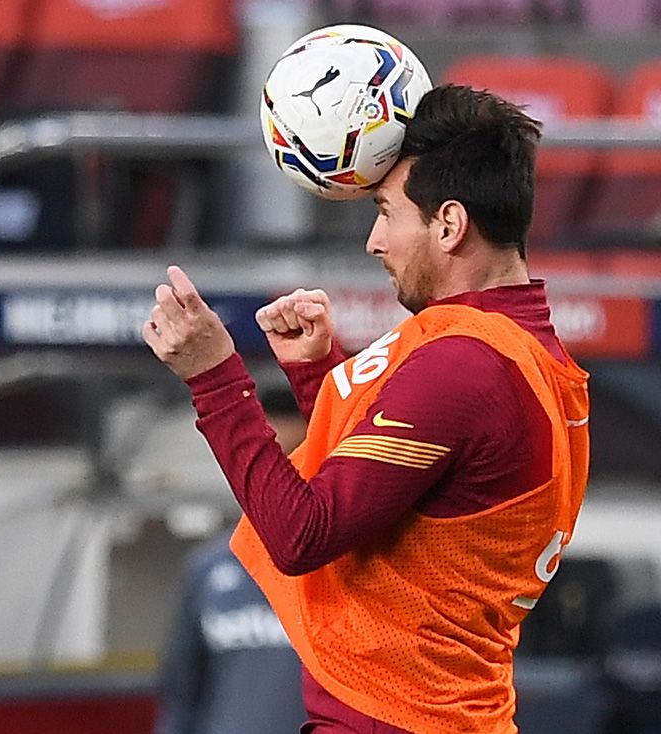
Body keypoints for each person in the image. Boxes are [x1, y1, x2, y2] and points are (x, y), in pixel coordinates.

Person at [142, 84, 591, 733]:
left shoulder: (463, 364)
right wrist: (318, 375)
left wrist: (214, 378)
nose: (374, 241)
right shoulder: (522, 351)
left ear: (449, 225)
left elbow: (304, 535)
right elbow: (398, 494)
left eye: (386, 211)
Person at [153, 387, 308, 734]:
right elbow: (181, 697)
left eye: (291, 463)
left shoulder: (355, 565)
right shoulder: (209, 568)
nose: (276, 486)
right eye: (266, 467)